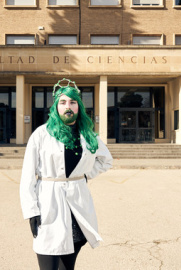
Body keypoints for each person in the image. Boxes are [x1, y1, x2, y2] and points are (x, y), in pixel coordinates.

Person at [20, 79, 113, 270]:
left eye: (72, 102)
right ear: (56, 106)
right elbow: (27, 176)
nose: (68, 106)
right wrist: (31, 211)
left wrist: (85, 176)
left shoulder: (89, 135)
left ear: (79, 106)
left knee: (67, 266)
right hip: (49, 204)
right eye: (62, 102)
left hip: (77, 207)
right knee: (47, 259)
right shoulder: (41, 134)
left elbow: (106, 160)